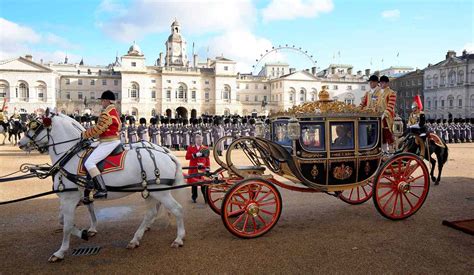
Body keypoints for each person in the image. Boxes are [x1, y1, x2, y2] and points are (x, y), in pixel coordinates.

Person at [81, 90, 121, 200]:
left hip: (109, 142)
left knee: (89, 163)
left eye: (103, 100)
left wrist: (85, 134)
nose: (101, 102)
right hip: (108, 140)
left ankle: (101, 189)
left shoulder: (107, 113)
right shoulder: (113, 111)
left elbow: (99, 129)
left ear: (107, 101)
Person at [185, 134, 210, 203]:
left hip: (202, 168)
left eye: (201, 140)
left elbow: (207, 159)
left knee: (203, 184)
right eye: (199, 140)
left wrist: (208, 167)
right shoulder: (190, 147)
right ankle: (194, 197)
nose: (200, 141)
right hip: (193, 168)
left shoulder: (205, 148)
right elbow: (187, 157)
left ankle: (206, 198)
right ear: (195, 140)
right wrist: (195, 155)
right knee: (194, 184)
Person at [377, 75, 397, 153]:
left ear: (387, 83)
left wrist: (384, 114)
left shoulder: (391, 93)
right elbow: (376, 105)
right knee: (381, 136)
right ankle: (384, 151)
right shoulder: (378, 93)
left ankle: (392, 151)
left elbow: (390, 106)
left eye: (383, 83)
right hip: (379, 117)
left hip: (387, 117)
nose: (381, 84)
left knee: (388, 135)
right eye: (381, 82)